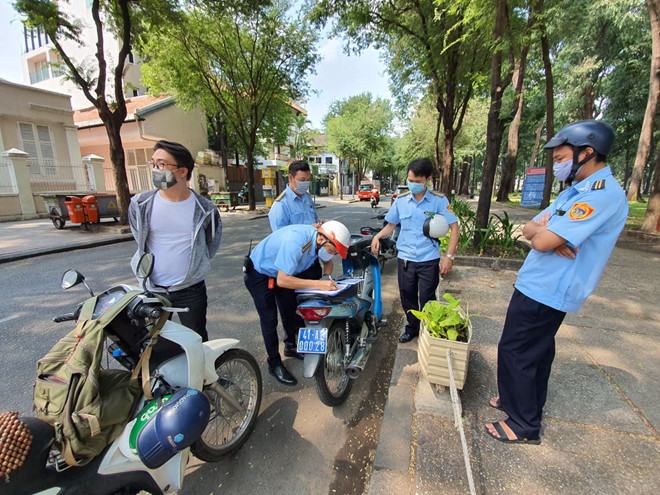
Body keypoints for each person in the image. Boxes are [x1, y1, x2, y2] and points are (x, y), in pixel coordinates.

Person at [485, 120, 628, 445]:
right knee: (533, 351)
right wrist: (544, 233)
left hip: (550, 289)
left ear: (587, 152)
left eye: (561, 157)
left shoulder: (602, 194)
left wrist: (546, 235)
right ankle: (515, 402)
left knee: (519, 352)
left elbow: (542, 241)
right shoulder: (576, 192)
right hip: (538, 283)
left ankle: (523, 425)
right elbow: (530, 229)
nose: (557, 164)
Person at [129, 140, 222, 342]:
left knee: (196, 340)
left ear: (182, 171)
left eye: (161, 164)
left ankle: (200, 375)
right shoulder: (141, 204)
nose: (155, 169)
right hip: (153, 288)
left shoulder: (205, 209)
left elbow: (210, 244)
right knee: (154, 343)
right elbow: (140, 237)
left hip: (191, 289)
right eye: (153, 164)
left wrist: (195, 267)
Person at [244, 221, 351, 386]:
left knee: (291, 310)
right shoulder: (296, 242)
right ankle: (274, 363)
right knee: (269, 319)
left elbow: (328, 262)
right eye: (334, 250)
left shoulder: (319, 240)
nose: (334, 254)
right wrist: (320, 285)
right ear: (324, 240)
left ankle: (291, 347)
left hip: (284, 272)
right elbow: (282, 280)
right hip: (260, 273)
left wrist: (326, 276)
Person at [370, 158, 459, 343]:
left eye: (417, 182)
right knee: (407, 297)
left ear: (427, 179)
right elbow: (392, 224)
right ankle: (412, 328)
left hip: (429, 259)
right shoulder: (401, 201)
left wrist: (449, 257)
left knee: (427, 298)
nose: (413, 185)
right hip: (406, 259)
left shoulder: (439, 201)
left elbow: (454, 227)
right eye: (410, 180)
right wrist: (378, 236)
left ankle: (428, 331)